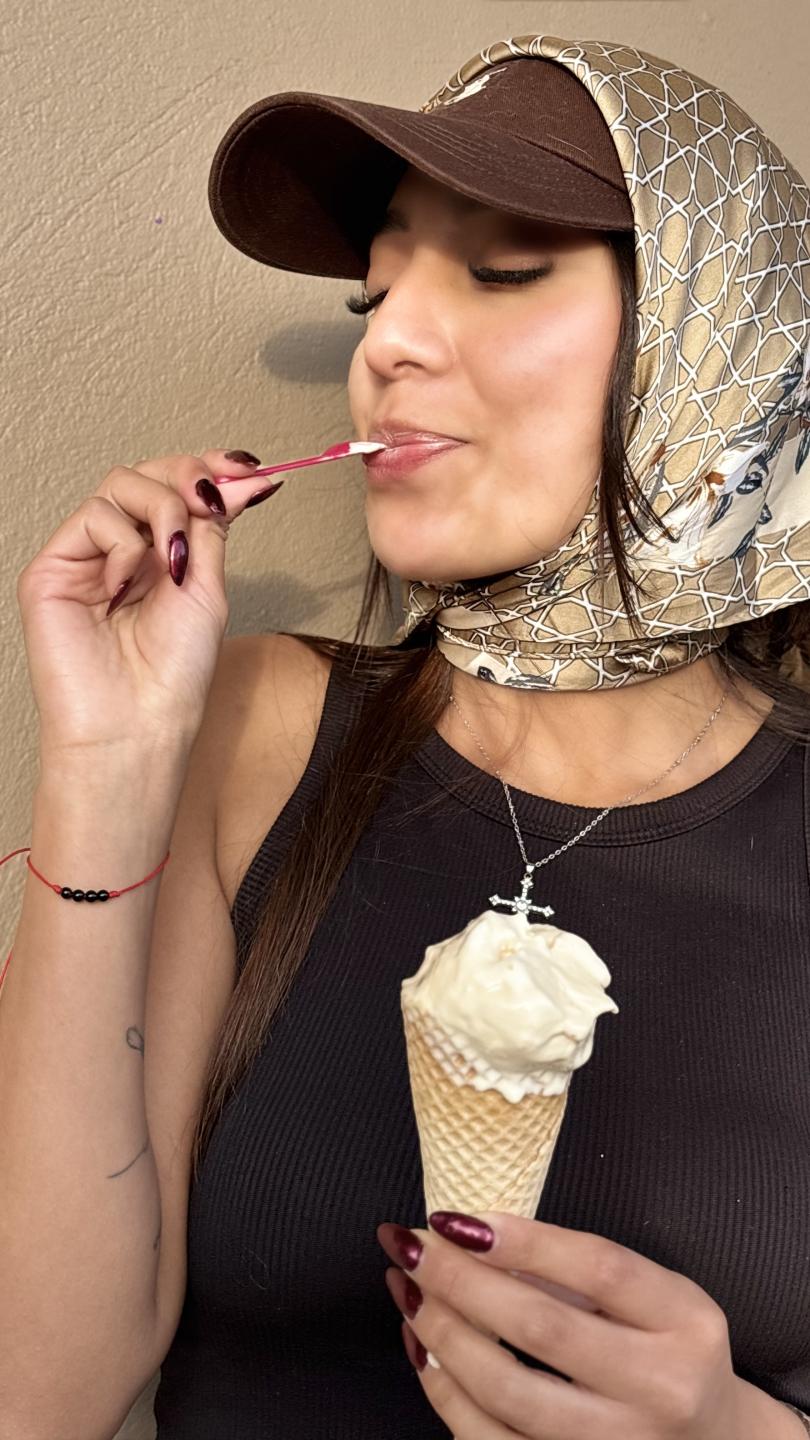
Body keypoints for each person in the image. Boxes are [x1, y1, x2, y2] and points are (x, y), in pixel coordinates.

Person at [2, 32, 810, 1440]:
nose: (384, 345)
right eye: (373, 294)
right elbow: (36, 1396)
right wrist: (105, 765)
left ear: (722, 333)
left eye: (503, 271)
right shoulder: (253, 727)